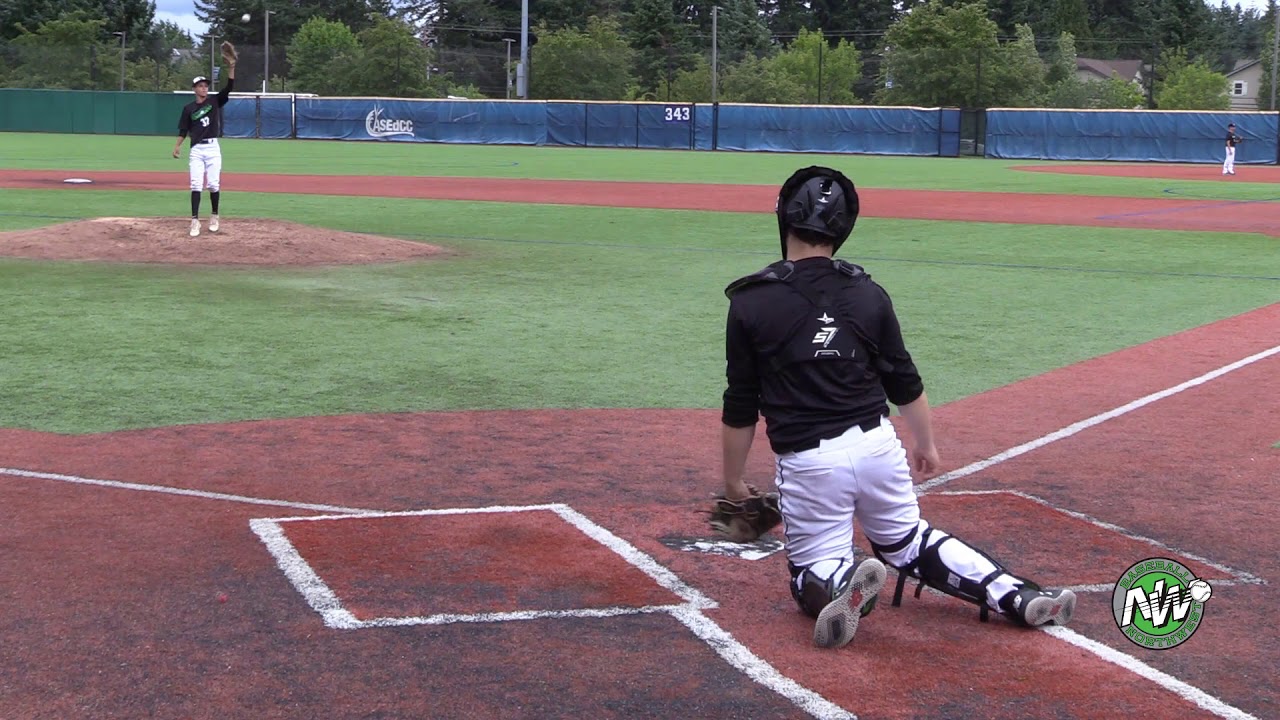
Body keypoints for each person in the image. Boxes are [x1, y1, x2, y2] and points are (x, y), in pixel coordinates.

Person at [719, 166, 1076, 649]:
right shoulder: (868, 292)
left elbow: (740, 404)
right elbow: (904, 381)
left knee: (809, 566)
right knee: (909, 541)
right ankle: (1014, 592)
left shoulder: (751, 302)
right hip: (877, 446)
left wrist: (734, 481)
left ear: (783, 215)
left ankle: (838, 581)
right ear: (844, 228)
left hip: (809, 461)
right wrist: (924, 443)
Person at [172, 44, 236, 237]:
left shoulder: (215, 101)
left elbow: (229, 88)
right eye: (201, 85)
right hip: (197, 150)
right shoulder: (188, 108)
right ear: (194, 89)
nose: (204, 88)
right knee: (195, 185)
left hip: (213, 148)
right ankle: (194, 221)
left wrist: (231, 67)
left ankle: (215, 216)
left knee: (214, 185)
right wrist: (177, 146)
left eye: (206, 85)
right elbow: (184, 129)